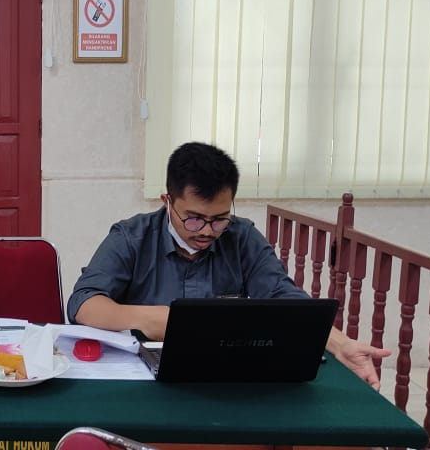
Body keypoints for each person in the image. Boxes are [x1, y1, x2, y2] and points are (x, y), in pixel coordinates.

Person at [67, 142, 391, 389]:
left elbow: (285, 299)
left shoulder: (242, 237)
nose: (207, 231)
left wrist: (339, 344)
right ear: (167, 202)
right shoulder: (131, 237)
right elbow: (84, 303)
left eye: (219, 218)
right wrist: (164, 320)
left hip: (223, 380)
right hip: (144, 379)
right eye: (194, 218)